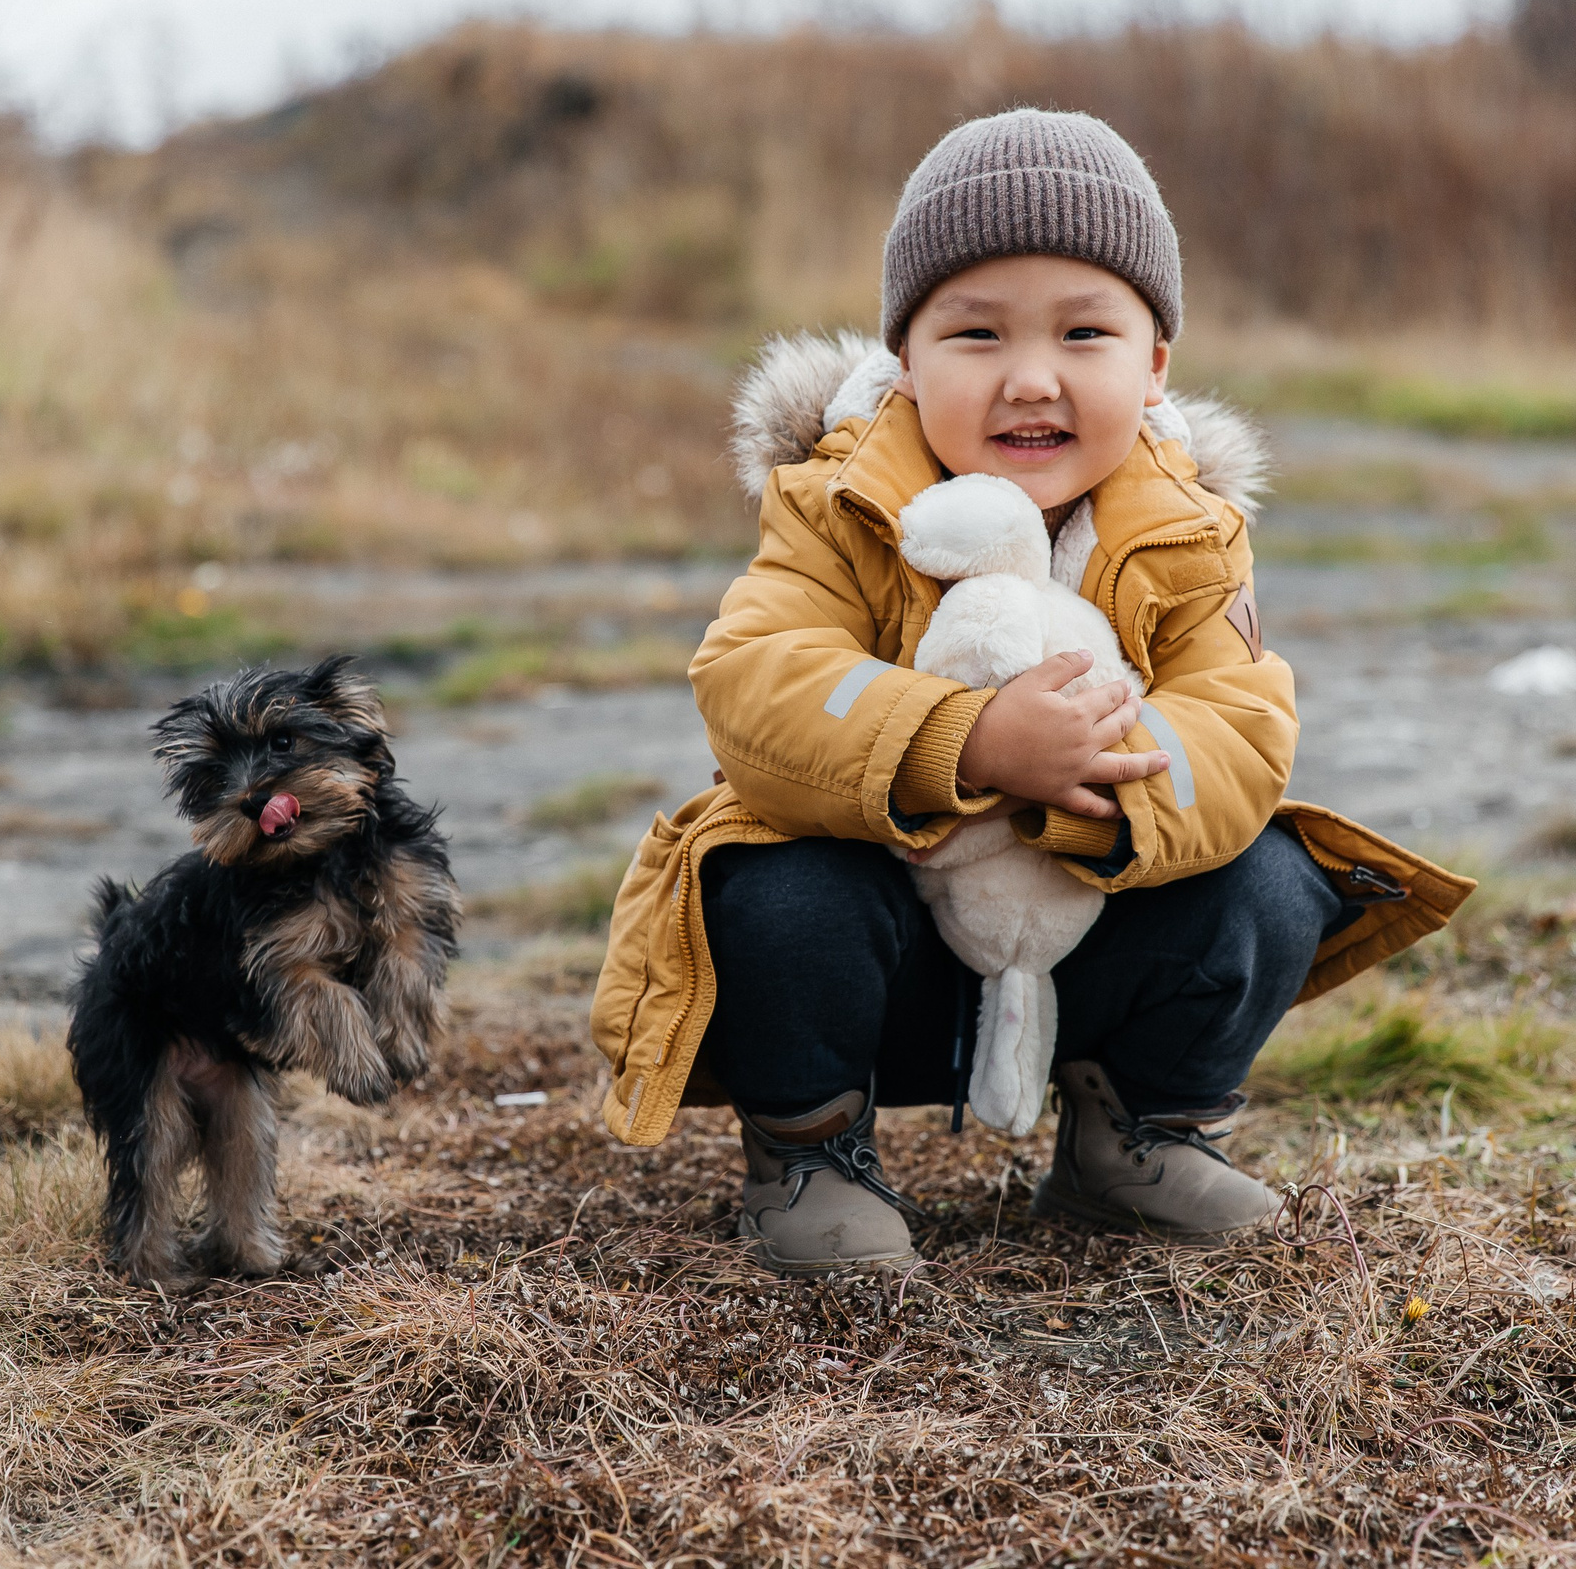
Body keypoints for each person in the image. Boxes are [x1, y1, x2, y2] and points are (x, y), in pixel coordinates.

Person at [591, 109, 1473, 1274]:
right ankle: (809, 1150)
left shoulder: (1188, 529)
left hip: (1090, 942)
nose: (1030, 378)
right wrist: (963, 742)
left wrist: (1099, 777)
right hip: (887, 967)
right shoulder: (837, 501)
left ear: (1153, 365)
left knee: (1268, 875)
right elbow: (757, 681)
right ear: (906, 359)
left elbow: (1242, 727)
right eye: (975, 333)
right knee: (769, 883)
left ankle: (1137, 1133)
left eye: (1084, 331)